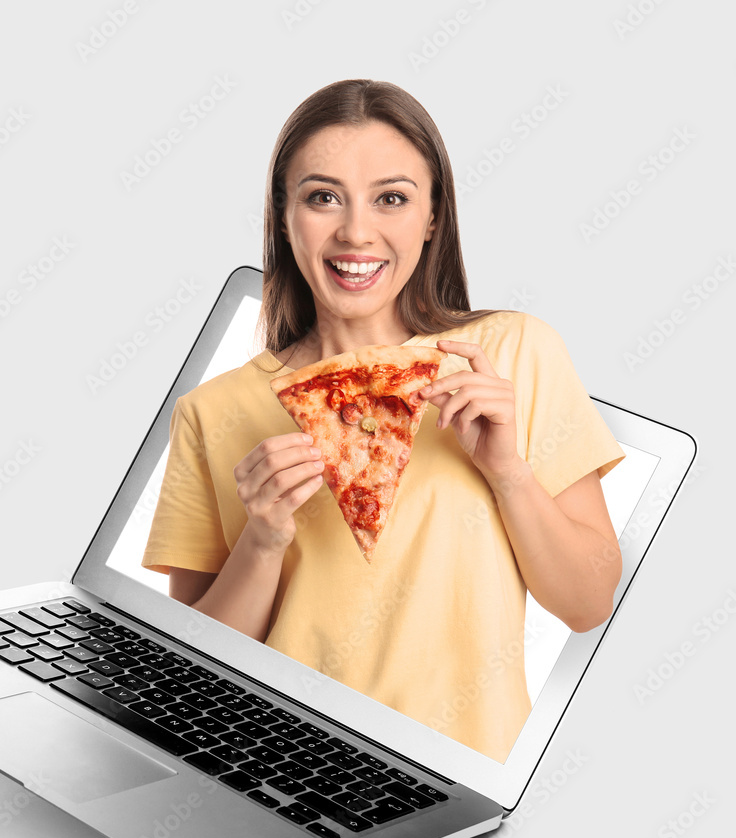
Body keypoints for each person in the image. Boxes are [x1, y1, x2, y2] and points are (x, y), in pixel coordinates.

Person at [141, 79, 625, 762]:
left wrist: (508, 473)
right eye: (322, 197)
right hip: (278, 770)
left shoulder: (511, 353)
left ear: (433, 217)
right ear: (284, 216)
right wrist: (263, 540)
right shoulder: (211, 412)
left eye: (391, 198)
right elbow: (191, 682)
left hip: (463, 768)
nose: (356, 232)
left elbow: (588, 602)